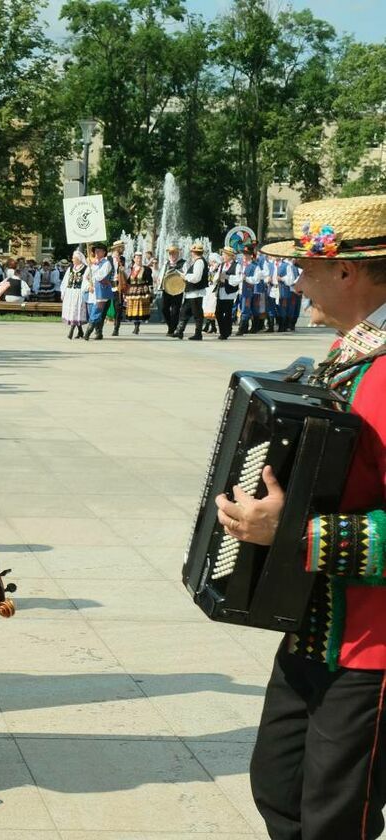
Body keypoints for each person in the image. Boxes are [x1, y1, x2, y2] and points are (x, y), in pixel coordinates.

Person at [216, 194, 386, 839]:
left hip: (374, 648)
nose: (295, 279)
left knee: (334, 820)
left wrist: (296, 533)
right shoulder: (352, 354)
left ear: (347, 271)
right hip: (317, 627)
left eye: (305, 268)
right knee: (281, 789)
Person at [175, 243, 209, 341]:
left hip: (196, 292)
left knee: (197, 313)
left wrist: (185, 276)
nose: (191, 254)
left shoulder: (199, 262)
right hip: (191, 292)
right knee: (184, 312)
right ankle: (179, 331)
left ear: (194, 252)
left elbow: (196, 278)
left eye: (192, 252)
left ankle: (198, 334)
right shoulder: (198, 262)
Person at [210, 247, 242, 340]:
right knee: (218, 312)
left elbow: (238, 278)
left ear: (230, 256)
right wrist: (217, 278)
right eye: (223, 254)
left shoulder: (237, 266)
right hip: (221, 291)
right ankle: (224, 331)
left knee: (227, 313)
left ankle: (226, 332)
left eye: (224, 254)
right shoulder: (222, 265)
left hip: (230, 292)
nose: (222, 256)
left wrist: (227, 277)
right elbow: (216, 276)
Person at [84, 243, 113, 341]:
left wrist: (91, 278)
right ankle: (98, 332)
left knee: (96, 312)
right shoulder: (92, 264)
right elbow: (85, 276)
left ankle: (88, 331)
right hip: (91, 292)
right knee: (91, 311)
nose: (96, 252)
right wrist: (89, 285)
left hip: (101, 291)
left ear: (104, 252)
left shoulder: (106, 263)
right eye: (95, 250)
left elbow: (100, 276)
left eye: (99, 250)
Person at [61, 250, 90, 339]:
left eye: (74, 258)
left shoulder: (86, 268)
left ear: (79, 259)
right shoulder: (70, 268)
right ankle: (80, 331)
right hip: (70, 293)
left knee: (75, 312)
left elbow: (86, 281)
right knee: (73, 312)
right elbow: (65, 281)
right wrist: (63, 292)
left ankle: (71, 331)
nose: (72, 260)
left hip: (78, 293)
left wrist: (84, 290)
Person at [123, 251, 153, 334]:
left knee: (140, 308)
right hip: (132, 290)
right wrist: (124, 292)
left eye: (140, 258)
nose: (139, 259)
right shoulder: (130, 269)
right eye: (137, 258)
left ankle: (137, 326)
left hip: (141, 290)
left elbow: (150, 281)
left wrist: (150, 291)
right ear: (134, 259)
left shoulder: (146, 269)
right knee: (133, 308)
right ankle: (135, 325)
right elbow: (127, 281)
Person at [160, 245, 185, 336]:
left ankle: (172, 329)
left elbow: (185, 275)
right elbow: (161, 274)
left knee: (175, 310)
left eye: (174, 253)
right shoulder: (166, 263)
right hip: (166, 289)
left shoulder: (183, 263)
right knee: (164, 309)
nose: (172, 255)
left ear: (177, 254)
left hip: (178, 290)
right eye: (170, 254)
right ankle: (171, 326)